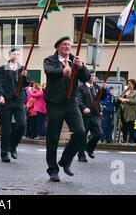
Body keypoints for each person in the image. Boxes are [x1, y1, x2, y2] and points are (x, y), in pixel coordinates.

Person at [43, 36, 89, 182]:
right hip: (54, 103)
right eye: (64, 44)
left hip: (71, 103)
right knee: (53, 137)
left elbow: (86, 78)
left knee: (81, 132)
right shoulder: (50, 60)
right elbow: (49, 71)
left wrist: (81, 67)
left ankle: (66, 160)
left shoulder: (75, 60)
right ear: (58, 47)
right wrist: (62, 72)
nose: (67, 46)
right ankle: (53, 169)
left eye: (69, 44)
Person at [0, 47, 30, 163]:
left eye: (18, 54)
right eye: (14, 54)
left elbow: (27, 84)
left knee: (22, 124)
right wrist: (1, 95)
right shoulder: (2, 69)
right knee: (6, 128)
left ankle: (13, 146)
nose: (15, 56)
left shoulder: (22, 68)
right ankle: (4, 152)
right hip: (6, 100)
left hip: (18, 100)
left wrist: (25, 76)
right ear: (9, 55)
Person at [76, 73, 103, 162]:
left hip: (95, 114)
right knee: (83, 135)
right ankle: (81, 155)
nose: (92, 77)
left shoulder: (96, 87)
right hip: (85, 115)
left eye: (93, 75)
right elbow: (78, 100)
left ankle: (89, 148)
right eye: (90, 75)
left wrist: (104, 90)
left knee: (98, 133)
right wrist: (84, 108)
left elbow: (101, 98)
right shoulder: (81, 87)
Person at [118, 79, 136, 145]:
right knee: (124, 126)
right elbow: (119, 97)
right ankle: (124, 140)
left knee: (131, 127)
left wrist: (127, 100)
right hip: (123, 110)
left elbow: (135, 101)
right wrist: (121, 99)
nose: (128, 84)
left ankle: (131, 140)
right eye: (128, 83)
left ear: (133, 84)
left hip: (131, 112)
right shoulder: (125, 91)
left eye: (130, 83)